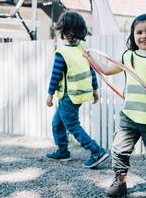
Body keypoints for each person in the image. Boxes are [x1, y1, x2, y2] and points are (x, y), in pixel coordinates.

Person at [85, 14, 146, 198]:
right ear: (133, 35)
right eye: (139, 32)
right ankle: (120, 183)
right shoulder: (129, 56)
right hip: (129, 115)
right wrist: (91, 58)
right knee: (119, 150)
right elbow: (108, 69)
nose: (144, 36)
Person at [46, 11, 109, 168]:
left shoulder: (63, 52)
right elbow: (91, 71)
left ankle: (97, 151)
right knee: (57, 123)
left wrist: (49, 94)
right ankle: (62, 151)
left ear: (63, 31)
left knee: (72, 125)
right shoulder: (82, 48)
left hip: (68, 96)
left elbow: (55, 75)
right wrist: (94, 90)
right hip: (77, 95)